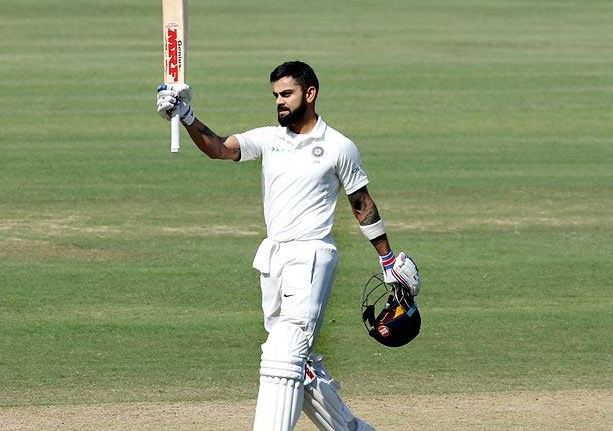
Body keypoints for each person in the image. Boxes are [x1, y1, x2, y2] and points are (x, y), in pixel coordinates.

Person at [156, 61, 418, 431]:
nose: (279, 102)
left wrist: (388, 259)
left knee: (284, 354)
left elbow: (362, 205)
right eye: (276, 95)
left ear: (309, 94)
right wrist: (186, 115)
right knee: (300, 364)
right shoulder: (269, 138)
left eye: (286, 94)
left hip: (312, 255)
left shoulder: (338, 147)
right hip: (274, 256)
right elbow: (218, 148)